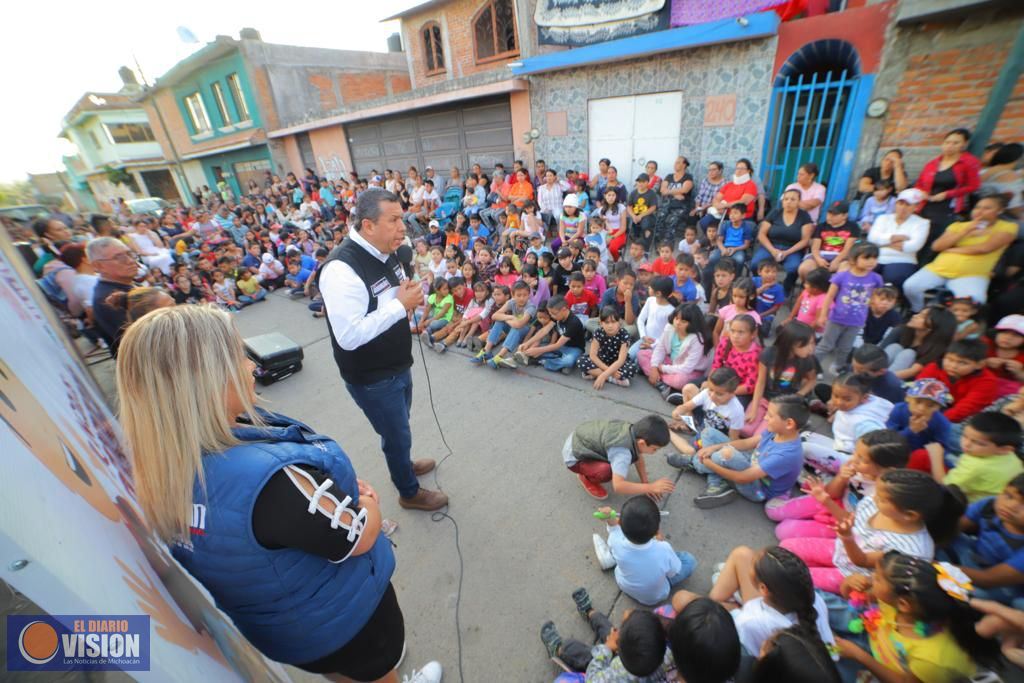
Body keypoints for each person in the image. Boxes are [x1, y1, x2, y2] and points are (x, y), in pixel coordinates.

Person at [116, 305, 442, 683]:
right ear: (206, 381)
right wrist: (368, 502)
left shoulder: (159, 468)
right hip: (345, 623)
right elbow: (358, 537)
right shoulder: (271, 482)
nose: (252, 366)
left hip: (288, 630)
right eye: (239, 356)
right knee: (375, 674)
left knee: (343, 674)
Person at [318, 190, 447, 512]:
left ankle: (403, 461)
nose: (403, 228)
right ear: (368, 225)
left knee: (399, 427)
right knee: (395, 434)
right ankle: (408, 491)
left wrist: (404, 299)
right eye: (393, 220)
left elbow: (386, 302)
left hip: (398, 363)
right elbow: (349, 336)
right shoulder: (341, 270)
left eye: (402, 218)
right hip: (372, 376)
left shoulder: (388, 251)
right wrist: (399, 306)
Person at [782, 469, 962, 593]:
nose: (874, 497)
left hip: (853, 577)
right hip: (839, 549)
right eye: (877, 491)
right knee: (786, 547)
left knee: (791, 578)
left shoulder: (910, 549)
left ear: (909, 515)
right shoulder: (875, 504)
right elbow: (849, 520)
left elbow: (862, 560)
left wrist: (847, 538)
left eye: (882, 498)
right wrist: (826, 501)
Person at [834, 551, 1000, 682]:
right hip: (878, 641)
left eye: (877, 578)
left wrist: (858, 655)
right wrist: (848, 583)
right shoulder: (905, 604)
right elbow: (852, 598)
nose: (870, 579)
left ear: (903, 604)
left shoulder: (932, 659)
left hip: (889, 668)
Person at [768, 430, 910, 541]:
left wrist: (827, 501)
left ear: (887, 470)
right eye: (856, 453)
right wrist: (841, 477)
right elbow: (833, 493)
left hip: (844, 523)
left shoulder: (882, 497)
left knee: (783, 531)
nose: (854, 459)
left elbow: (851, 524)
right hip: (834, 500)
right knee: (772, 510)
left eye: (862, 459)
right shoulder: (856, 467)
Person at [675, 395, 808, 510]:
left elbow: (742, 478)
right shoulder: (777, 430)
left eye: (771, 415)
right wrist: (714, 447)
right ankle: (717, 483)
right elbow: (746, 443)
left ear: (789, 423)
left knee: (727, 454)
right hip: (752, 463)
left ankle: (696, 464)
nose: (766, 418)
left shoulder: (786, 455)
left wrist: (710, 464)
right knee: (708, 433)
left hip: (757, 489)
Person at [903, 194, 1017, 311]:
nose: (980, 211)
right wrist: (966, 230)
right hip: (939, 268)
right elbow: (937, 246)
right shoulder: (958, 226)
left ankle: (952, 321)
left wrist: (951, 250)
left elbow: (984, 248)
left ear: (1000, 211)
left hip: (972, 274)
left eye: (987, 208)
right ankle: (917, 309)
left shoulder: (1008, 227)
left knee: (974, 301)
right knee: (910, 286)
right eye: (977, 207)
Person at [540, 594, 673, 681]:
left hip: (602, 671)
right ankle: (590, 613)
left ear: (619, 651)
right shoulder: (668, 656)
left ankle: (558, 648)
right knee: (610, 631)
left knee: (585, 654)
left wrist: (607, 648)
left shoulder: (615, 676)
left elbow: (592, 678)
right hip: (632, 661)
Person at [598, 496, 697, 605]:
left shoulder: (615, 540)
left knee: (624, 556)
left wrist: (609, 517)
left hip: (624, 584)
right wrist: (659, 542)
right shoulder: (663, 549)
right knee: (689, 560)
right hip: (654, 597)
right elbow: (673, 573)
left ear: (620, 524)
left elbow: (614, 529)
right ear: (656, 530)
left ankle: (612, 558)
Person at [952, 473, 1024, 608]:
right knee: (948, 537)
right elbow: (952, 529)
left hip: (1004, 586)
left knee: (978, 595)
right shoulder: (989, 506)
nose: (1011, 506)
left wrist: (938, 567)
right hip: (973, 556)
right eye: (1008, 496)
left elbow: (987, 579)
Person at [802, 373, 894, 475]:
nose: (839, 402)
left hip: (852, 462)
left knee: (804, 448)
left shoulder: (865, 424)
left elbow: (873, 454)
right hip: (842, 447)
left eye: (847, 399)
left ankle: (822, 474)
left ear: (864, 398)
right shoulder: (861, 403)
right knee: (804, 436)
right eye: (836, 396)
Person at [814, 242, 883, 376]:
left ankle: (838, 366)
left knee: (845, 348)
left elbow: (875, 296)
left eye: (875, 258)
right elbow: (829, 297)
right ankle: (813, 367)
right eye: (867, 258)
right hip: (836, 318)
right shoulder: (842, 276)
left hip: (857, 321)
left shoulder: (876, 278)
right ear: (853, 259)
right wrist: (823, 315)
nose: (871, 262)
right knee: (825, 345)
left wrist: (875, 306)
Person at [915, 127, 983, 260]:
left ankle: (926, 264)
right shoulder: (932, 163)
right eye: (947, 142)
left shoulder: (968, 162)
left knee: (936, 238)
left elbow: (974, 186)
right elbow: (920, 183)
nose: (950, 146)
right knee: (921, 234)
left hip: (948, 207)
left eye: (955, 143)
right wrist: (922, 192)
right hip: (926, 204)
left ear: (964, 145)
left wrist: (948, 194)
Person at [928, 412, 1024, 504]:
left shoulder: (975, 467)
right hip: (989, 493)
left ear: (1004, 449)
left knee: (923, 456)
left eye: (979, 443)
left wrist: (936, 457)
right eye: (964, 436)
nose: (966, 444)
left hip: (968, 509)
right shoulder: (1011, 456)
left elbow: (944, 486)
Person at [640, 303, 713, 404]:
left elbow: (687, 368)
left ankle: (659, 381)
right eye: (676, 319)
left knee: (680, 380)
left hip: (691, 371)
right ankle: (663, 385)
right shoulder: (669, 328)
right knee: (643, 354)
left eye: (683, 321)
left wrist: (661, 368)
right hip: (672, 364)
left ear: (693, 323)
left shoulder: (697, 339)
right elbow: (660, 348)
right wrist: (654, 367)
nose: (678, 323)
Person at [918, 338, 1000, 425]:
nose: (953, 366)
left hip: (962, 419)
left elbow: (965, 409)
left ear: (980, 365)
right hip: (930, 407)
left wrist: (931, 421)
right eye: (949, 359)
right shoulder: (934, 367)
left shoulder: (987, 381)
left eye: (963, 363)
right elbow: (918, 393)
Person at [866, 188, 930, 288]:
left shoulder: (922, 223)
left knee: (892, 278)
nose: (903, 208)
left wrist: (883, 243)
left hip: (903, 260)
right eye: (900, 203)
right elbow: (872, 238)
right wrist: (896, 237)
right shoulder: (883, 218)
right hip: (877, 258)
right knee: (862, 274)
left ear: (916, 207)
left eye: (908, 205)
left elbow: (913, 246)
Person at [749, 188, 814, 289]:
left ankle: (785, 291)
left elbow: (805, 240)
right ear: (782, 201)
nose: (788, 202)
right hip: (770, 246)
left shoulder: (804, 217)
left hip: (793, 249)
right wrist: (773, 250)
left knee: (793, 269)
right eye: (786, 199)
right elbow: (761, 234)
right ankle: (759, 287)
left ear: (799, 202)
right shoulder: (775, 213)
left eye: (793, 199)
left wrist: (787, 252)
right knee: (755, 264)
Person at [87, 236, 138, 356]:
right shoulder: (108, 299)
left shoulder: (125, 284)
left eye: (129, 254)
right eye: (119, 257)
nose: (130, 260)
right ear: (98, 266)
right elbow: (140, 343)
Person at [881, 305, 958, 381]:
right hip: (880, 372)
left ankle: (882, 382)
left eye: (922, 316)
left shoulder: (937, 347)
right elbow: (879, 351)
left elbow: (912, 372)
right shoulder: (901, 330)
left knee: (908, 353)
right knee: (895, 347)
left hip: (906, 380)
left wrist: (882, 376)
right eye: (919, 313)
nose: (915, 316)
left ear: (933, 326)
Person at [514, 295, 587, 373]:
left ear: (564, 309)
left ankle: (539, 361)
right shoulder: (557, 317)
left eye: (553, 313)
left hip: (574, 349)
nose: (551, 316)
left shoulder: (573, 323)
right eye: (550, 313)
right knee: (535, 348)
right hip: (560, 347)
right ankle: (559, 364)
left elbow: (557, 345)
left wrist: (538, 350)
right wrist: (528, 343)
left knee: (568, 361)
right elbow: (543, 331)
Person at [796, 201, 860, 283]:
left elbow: (848, 249)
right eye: (829, 213)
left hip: (841, 257)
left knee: (844, 271)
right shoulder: (821, 226)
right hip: (821, 255)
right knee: (804, 269)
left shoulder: (853, 227)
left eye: (834, 215)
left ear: (845, 215)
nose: (830, 217)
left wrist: (836, 261)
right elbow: (815, 247)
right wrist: (819, 259)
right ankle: (808, 290)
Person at [627, 173, 659, 252]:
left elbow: (653, 207)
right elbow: (629, 206)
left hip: (647, 215)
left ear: (647, 182)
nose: (640, 183)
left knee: (646, 224)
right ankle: (636, 243)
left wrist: (640, 216)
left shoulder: (651, 193)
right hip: (635, 215)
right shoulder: (633, 193)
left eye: (643, 182)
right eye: (639, 181)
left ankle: (646, 248)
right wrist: (633, 216)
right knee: (628, 222)